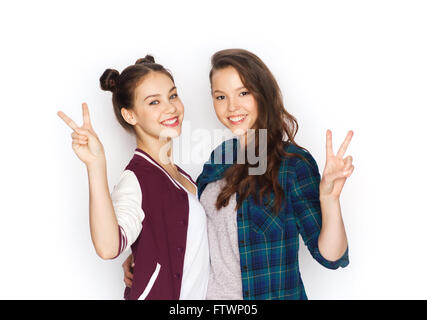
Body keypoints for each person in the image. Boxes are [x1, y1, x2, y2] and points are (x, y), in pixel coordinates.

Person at [123, 49, 354, 300]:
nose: (232, 106)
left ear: (262, 93)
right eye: (221, 96)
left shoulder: (292, 165)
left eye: (243, 93)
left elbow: (332, 257)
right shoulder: (219, 157)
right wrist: (143, 252)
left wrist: (330, 201)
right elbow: (191, 225)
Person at [57, 55, 209, 300]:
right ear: (130, 115)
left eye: (172, 96)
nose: (170, 107)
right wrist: (96, 165)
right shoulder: (136, 178)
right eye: (153, 102)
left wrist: (144, 253)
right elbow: (108, 247)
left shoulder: (182, 176)